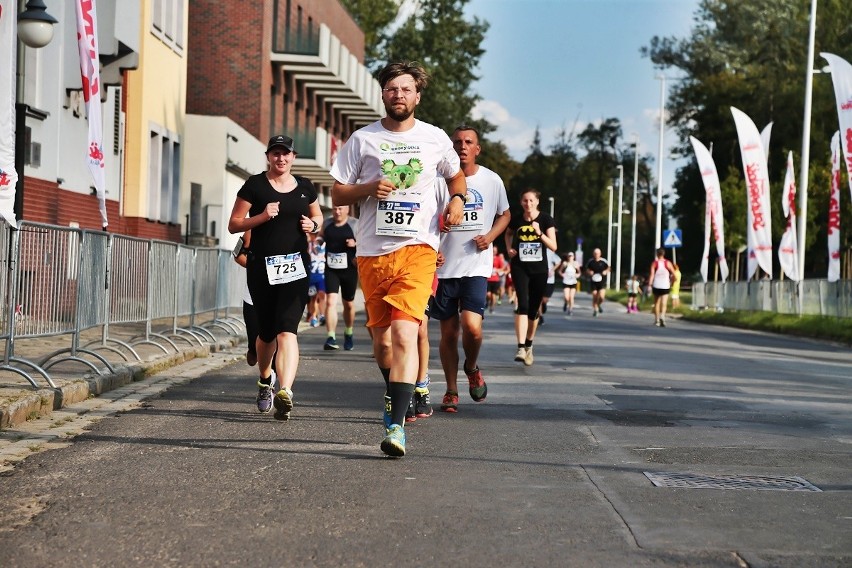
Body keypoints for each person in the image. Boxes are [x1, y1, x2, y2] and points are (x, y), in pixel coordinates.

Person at [330, 61, 466, 457]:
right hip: (373, 252)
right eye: (392, 89)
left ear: (417, 96)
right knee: (383, 344)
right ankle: (398, 390)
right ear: (383, 95)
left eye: (406, 89)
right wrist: (370, 187)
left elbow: (455, 177)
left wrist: (456, 199)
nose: (399, 95)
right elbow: (338, 194)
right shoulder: (362, 140)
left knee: (407, 333)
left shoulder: (435, 138)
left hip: (418, 249)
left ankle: (395, 425)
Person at [228, 134, 323, 419]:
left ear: (293, 157)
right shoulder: (254, 185)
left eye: (286, 154)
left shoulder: (306, 187)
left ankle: (286, 391)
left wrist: (313, 224)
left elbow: (319, 220)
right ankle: (265, 379)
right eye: (275, 153)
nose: (281, 158)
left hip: (296, 268)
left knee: (287, 330)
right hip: (261, 268)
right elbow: (234, 224)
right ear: (268, 156)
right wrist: (261, 217)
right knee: (266, 333)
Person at [432, 125, 510, 413]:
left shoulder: (491, 180)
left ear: (477, 149)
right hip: (444, 267)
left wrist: (489, 237)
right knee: (449, 333)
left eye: (468, 142)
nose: (462, 146)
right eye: (457, 142)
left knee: (472, 328)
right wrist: (434, 248)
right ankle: (451, 390)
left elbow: (505, 215)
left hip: (476, 266)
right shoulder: (440, 180)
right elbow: (429, 218)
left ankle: (472, 366)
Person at [504, 189, 558, 366]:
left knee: (534, 309)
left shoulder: (545, 219)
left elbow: (554, 246)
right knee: (523, 305)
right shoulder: (517, 220)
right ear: (521, 202)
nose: (528, 204)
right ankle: (520, 347)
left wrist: (539, 233)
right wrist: (509, 249)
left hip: (539, 269)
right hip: (520, 266)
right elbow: (508, 233)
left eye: (531, 200)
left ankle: (529, 344)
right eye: (525, 201)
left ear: (537, 202)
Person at [321, 205, 359, 351]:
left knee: (348, 304)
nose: (337, 212)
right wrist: (318, 242)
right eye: (335, 209)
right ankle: (331, 337)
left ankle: (348, 332)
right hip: (331, 268)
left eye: (340, 209)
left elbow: (365, 242)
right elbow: (320, 236)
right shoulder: (327, 222)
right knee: (330, 302)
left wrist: (355, 244)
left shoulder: (355, 224)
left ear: (347, 209)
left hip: (349, 269)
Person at [233, 230, 260, 367]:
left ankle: (270, 378)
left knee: (280, 338)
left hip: (279, 292)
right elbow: (237, 255)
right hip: (254, 294)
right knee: (255, 349)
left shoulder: (289, 227)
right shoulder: (251, 229)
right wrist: (256, 266)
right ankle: (253, 349)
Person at [649, 247, 675, 327]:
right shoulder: (668, 263)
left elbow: (652, 275)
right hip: (665, 285)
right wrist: (672, 283)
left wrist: (649, 285)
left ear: (657, 254)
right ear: (663, 254)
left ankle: (657, 320)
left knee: (657, 303)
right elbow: (674, 274)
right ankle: (663, 316)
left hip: (656, 285)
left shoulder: (654, 263)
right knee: (664, 303)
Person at [306, 235, 326, 327]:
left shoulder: (325, 246)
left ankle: (322, 315)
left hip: (321, 276)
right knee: (313, 298)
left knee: (321, 295)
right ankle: (313, 317)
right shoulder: (309, 246)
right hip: (312, 277)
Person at [538, 247, 562, 326]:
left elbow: (558, 261)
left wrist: (552, 270)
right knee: (539, 299)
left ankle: (544, 305)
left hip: (549, 280)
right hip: (539, 278)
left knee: (545, 299)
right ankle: (540, 316)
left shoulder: (550, 251)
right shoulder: (536, 249)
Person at [585, 248, 610, 317]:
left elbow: (609, 268)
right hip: (593, 281)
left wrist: (606, 271)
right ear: (593, 254)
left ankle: (598, 305)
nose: (596, 255)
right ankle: (595, 310)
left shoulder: (604, 261)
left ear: (600, 254)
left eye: (598, 253)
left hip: (602, 281)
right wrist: (589, 272)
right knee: (595, 296)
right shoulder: (591, 261)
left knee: (601, 297)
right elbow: (587, 269)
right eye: (595, 253)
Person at [486, 247, 506, 314]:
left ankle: (492, 308)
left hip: (496, 279)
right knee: (488, 294)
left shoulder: (498, 259)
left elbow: (503, 267)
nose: (494, 251)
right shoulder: (487, 257)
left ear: (496, 251)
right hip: (488, 279)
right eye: (493, 250)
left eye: (495, 250)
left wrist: (497, 270)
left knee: (493, 295)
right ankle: (488, 302)